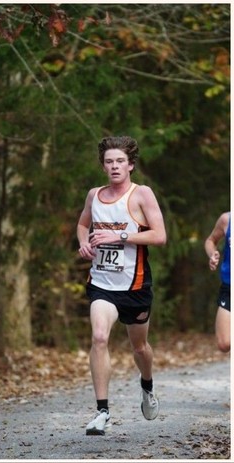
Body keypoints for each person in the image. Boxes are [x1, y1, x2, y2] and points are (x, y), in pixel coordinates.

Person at [76, 135, 167, 435]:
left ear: (130, 165)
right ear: (103, 166)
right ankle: (102, 412)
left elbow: (159, 236)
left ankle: (147, 386)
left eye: (119, 161)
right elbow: (82, 224)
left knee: (139, 347)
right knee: (99, 337)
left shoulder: (142, 195)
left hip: (135, 286)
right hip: (102, 284)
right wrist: (83, 245)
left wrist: (120, 237)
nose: (114, 166)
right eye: (109, 162)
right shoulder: (94, 195)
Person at [205, 211, 230, 352]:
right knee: (224, 343)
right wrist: (212, 255)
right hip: (229, 286)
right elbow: (210, 240)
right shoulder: (227, 219)